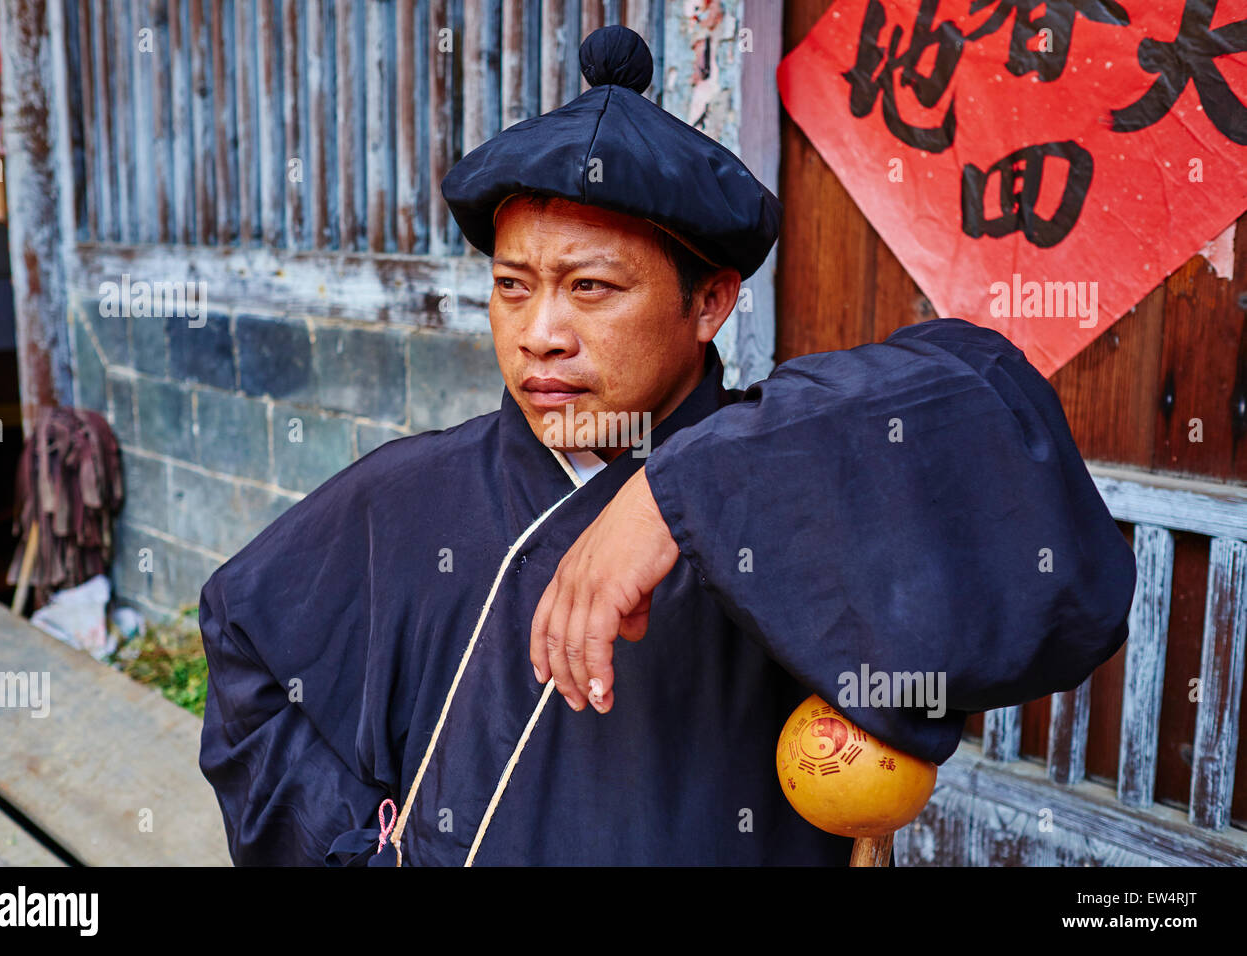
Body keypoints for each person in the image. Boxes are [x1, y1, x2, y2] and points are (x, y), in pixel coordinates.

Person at [197, 26, 1137, 866]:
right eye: (514, 287)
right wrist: (345, 849)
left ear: (711, 301)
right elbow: (245, 643)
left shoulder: (785, 506)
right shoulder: (411, 495)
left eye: (593, 288)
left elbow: (986, 399)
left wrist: (681, 493)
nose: (540, 333)